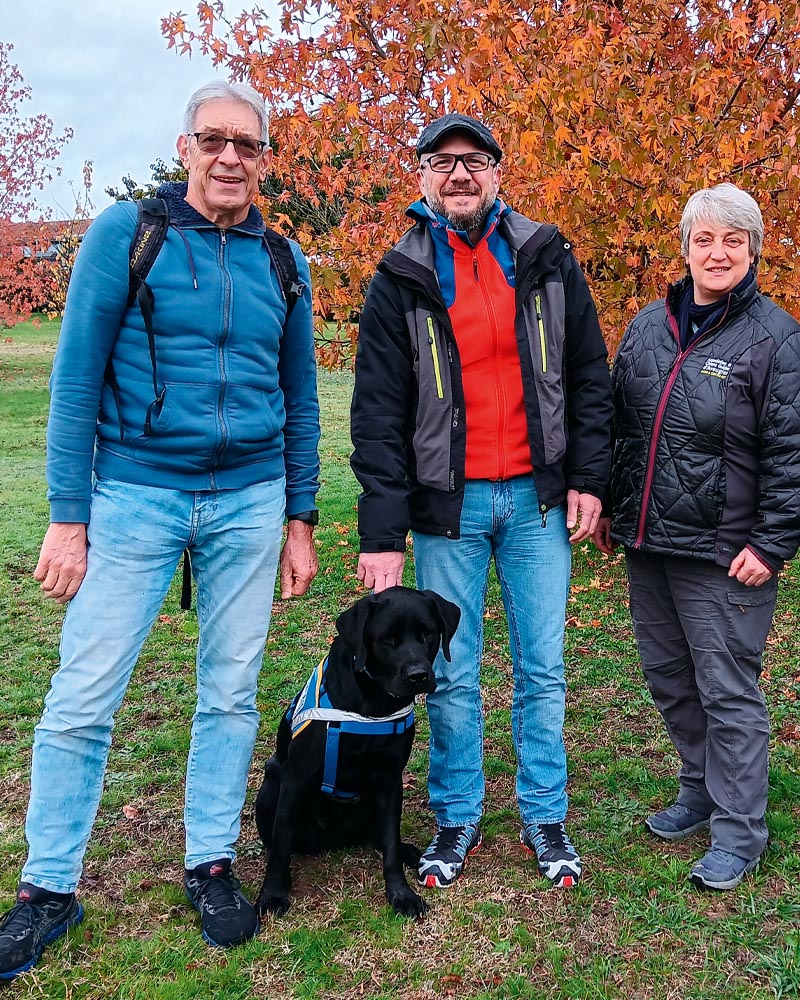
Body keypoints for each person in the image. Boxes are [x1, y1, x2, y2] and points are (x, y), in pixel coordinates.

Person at [0, 81, 321, 978]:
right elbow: (74, 379)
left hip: (250, 502)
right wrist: (70, 519)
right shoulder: (126, 234)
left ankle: (211, 862)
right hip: (135, 495)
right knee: (81, 697)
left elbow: (300, 400)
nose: (230, 158)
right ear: (185, 148)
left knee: (231, 691)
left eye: (247, 146)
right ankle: (47, 890)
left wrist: (301, 519)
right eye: (213, 140)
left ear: (264, 159)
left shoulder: (285, 261)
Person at [351, 112, 613, 890]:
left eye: (474, 161)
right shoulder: (399, 274)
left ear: (498, 172)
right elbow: (377, 412)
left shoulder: (546, 257)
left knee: (543, 667)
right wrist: (383, 530)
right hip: (447, 511)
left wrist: (590, 479)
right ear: (422, 179)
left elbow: (590, 378)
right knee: (450, 671)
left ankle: (544, 813)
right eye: (441, 162)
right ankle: (456, 814)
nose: (458, 174)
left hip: (537, 503)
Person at [593, 183, 800, 890]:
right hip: (650, 542)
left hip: (725, 553)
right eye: (704, 239)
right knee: (671, 679)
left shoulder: (775, 338)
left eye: (732, 240)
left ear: (753, 251)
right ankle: (701, 789)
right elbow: (621, 425)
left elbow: (792, 451)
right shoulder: (650, 324)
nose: (717, 252)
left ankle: (741, 831)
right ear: (685, 247)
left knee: (726, 688)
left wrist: (771, 543)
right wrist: (613, 507)